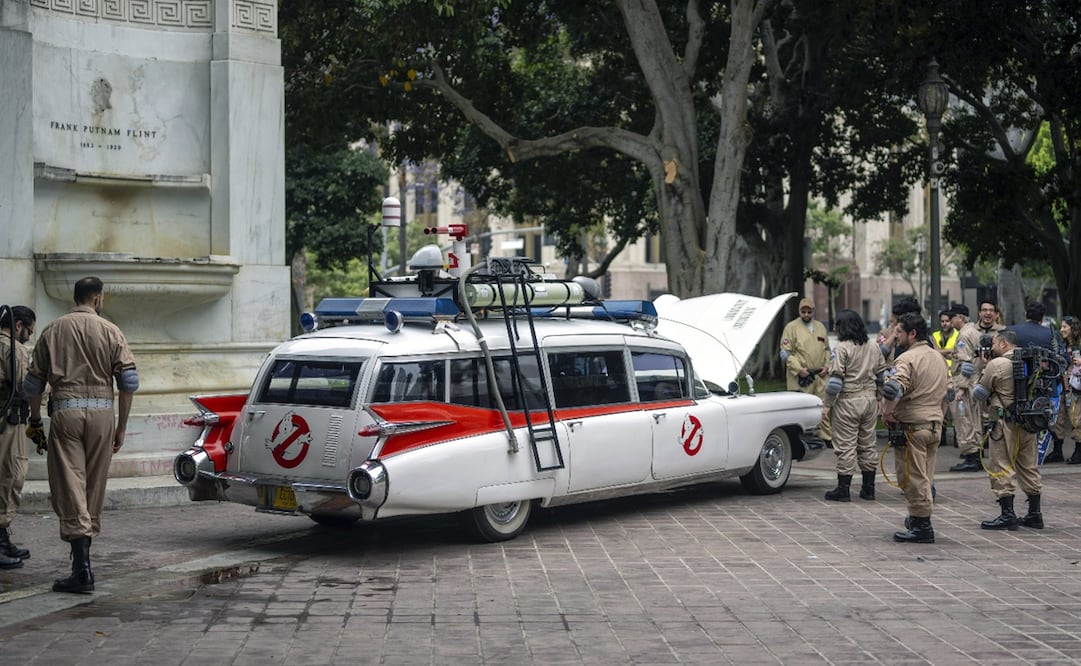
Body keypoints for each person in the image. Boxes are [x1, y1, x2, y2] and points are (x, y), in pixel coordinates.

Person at [23, 277, 139, 594]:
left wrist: (34, 419)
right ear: (98, 299)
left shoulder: (53, 330)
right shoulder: (111, 331)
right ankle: (83, 563)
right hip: (103, 415)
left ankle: (81, 568)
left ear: (74, 298)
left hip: (65, 413)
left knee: (70, 483)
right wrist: (122, 426)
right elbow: (129, 382)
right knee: (92, 486)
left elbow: (32, 385)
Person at [881, 313, 950, 543]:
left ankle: (922, 525)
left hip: (913, 427)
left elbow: (895, 388)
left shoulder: (907, 359)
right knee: (926, 475)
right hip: (933, 425)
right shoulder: (938, 358)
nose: (896, 335)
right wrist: (940, 416)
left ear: (912, 334)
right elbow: (948, 393)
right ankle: (917, 518)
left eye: (899, 331)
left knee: (912, 477)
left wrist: (887, 411)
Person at [971, 329, 1044, 530]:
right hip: (1029, 422)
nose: (992, 347)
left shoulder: (998, 364)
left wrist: (984, 368)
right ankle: (1035, 514)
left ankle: (1007, 514)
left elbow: (979, 393)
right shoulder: (1032, 361)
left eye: (994, 343)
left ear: (1004, 343)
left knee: (1001, 464)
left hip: (1003, 423)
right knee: (1029, 465)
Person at [821, 310, 888, 502]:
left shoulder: (842, 348)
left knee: (845, 445)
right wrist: (880, 399)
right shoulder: (874, 346)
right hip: (869, 401)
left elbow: (835, 382)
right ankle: (869, 488)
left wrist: (827, 405)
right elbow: (882, 376)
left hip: (848, 401)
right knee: (868, 444)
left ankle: (843, 489)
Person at [1008, 302, 1068, 462]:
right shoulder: (1050, 333)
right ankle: (1041, 456)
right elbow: (1063, 359)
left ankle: (1017, 455)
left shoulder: (1012, 331)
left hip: (1017, 384)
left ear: (1026, 313)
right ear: (1042, 317)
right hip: (1046, 387)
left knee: (1017, 420)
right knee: (1044, 419)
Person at [0, 305, 36, 569]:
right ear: (19, 325)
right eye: (29, 331)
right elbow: (25, 387)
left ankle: (3, 540)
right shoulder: (14, 348)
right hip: (9, 424)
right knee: (10, 477)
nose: (28, 337)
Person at [781, 297, 832, 446]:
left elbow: (827, 350)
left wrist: (827, 366)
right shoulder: (791, 328)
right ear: (799, 311)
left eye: (809, 312)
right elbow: (785, 353)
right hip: (800, 377)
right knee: (801, 407)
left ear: (813, 311)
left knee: (821, 406)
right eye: (803, 311)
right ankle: (800, 437)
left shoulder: (820, 327)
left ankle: (826, 437)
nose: (806, 314)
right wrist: (798, 369)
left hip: (819, 376)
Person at [947, 304, 986, 472]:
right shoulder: (976, 332)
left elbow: (965, 363)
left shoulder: (963, 335)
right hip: (976, 382)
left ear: (960, 318)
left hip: (965, 383)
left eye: (952, 318)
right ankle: (977, 456)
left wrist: (961, 388)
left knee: (964, 420)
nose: (950, 321)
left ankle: (970, 457)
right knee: (975, 421)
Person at [1060, 316, 1081, 463]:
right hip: (1068, 388)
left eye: (1065, 327)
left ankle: (1079, 452)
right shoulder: (1064, 346)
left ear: (1072, 329)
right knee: (1074, 418)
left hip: (1077, 388)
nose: (1062, 330)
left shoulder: (1078, 346)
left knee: (1078, 419)